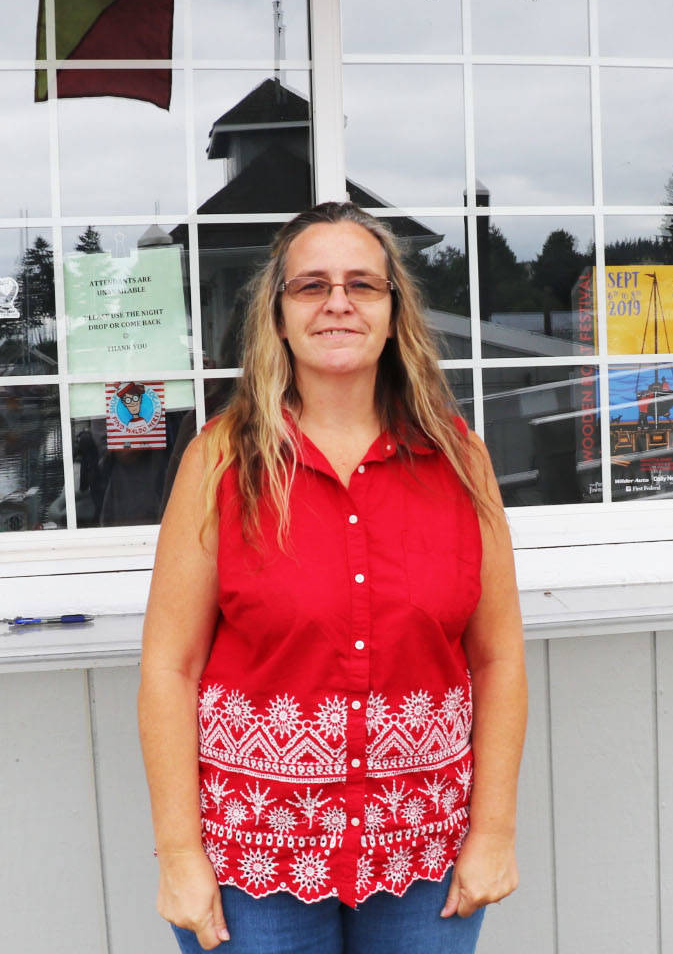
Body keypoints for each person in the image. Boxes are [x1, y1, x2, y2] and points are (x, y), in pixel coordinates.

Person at [139, 202, 527, 954]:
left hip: (423, 849)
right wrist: (181, 855)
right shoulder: (220, 461)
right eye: (311, 286)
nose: (338, 302)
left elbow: (499, 658)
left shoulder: (459, 459)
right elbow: (169, 667)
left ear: (393, 312)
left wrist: (494, 831)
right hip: (256, 857)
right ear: (279, 316)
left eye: (362, 284)